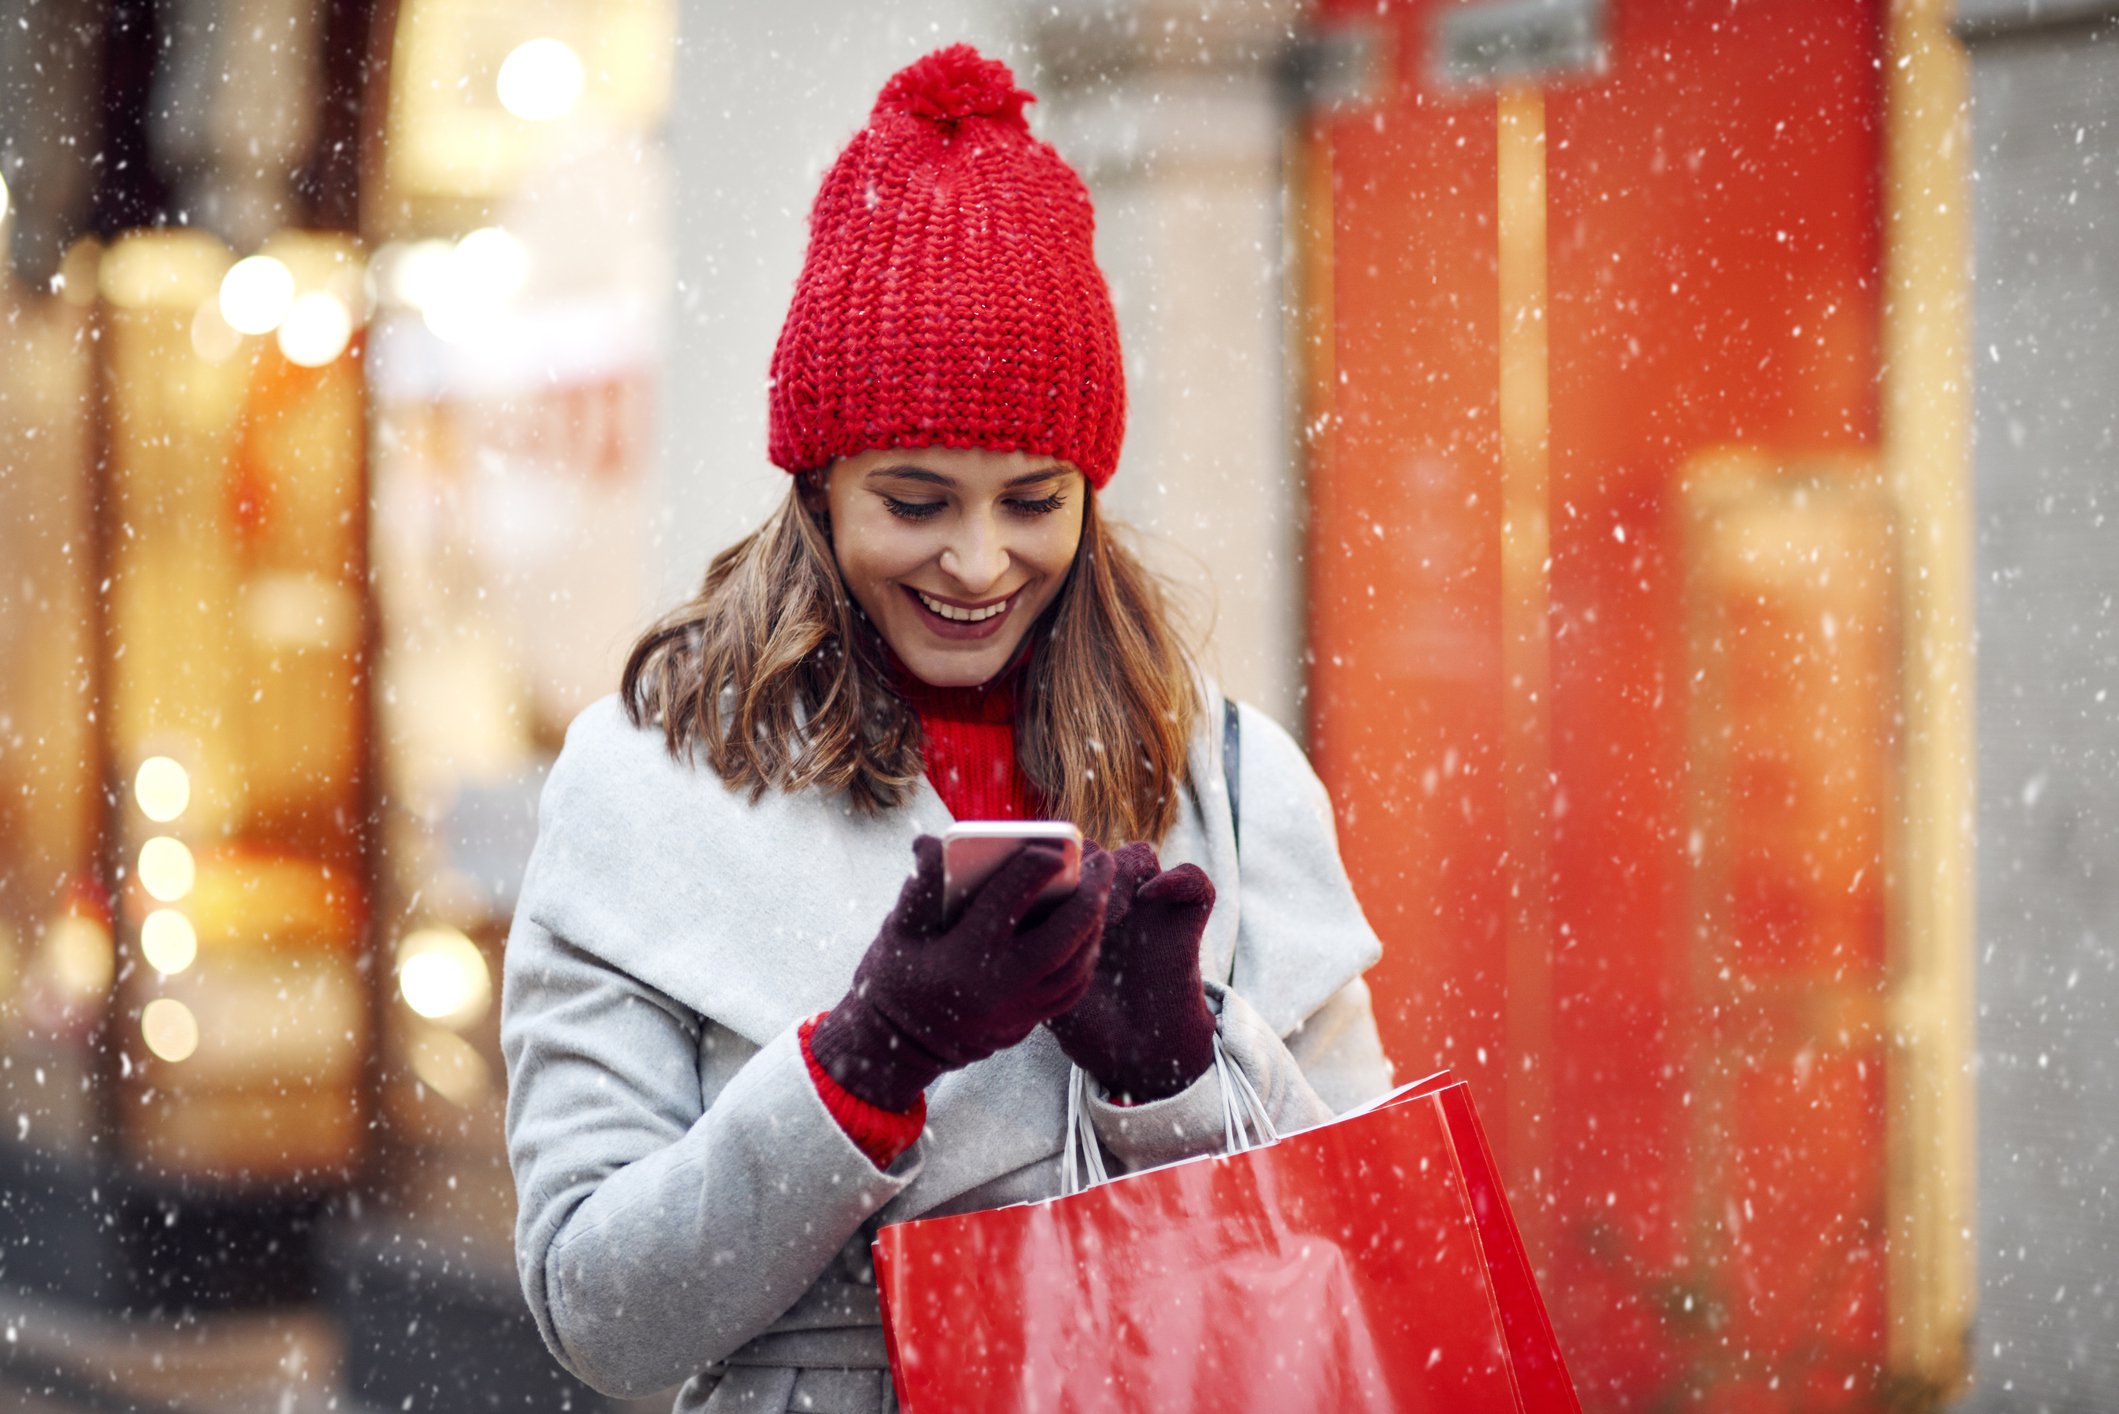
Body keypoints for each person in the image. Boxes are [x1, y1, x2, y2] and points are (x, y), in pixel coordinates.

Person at [501, 44, 1392, 1414]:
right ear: (818, 485)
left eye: (1032, 499)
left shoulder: (1225, 775)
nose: (979, 563)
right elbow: (602, 1315)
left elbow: (1359, 1255)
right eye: (916, 502)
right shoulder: (646, 785)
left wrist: (1176, 1077)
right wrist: (864, 1060)